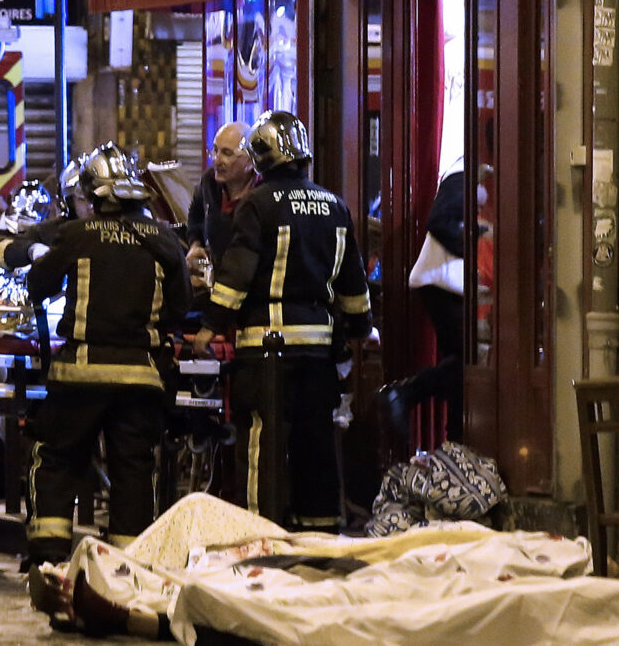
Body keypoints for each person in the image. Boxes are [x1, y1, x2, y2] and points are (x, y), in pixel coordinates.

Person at [193, 111, 372, 532]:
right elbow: (353, 285)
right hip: (319, 352)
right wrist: (360, 329)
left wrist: (209, 326)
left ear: (259, 158)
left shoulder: (257, 205)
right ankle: (320, 532)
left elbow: (236, 276)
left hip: (267, 350)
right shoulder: (335, 206)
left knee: (263, 441)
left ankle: (261, 531)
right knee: (316, 441)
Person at [24, 142, 190, 569]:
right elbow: (180, 308)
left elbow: (38, 285)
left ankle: (49, 556)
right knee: (133, 468)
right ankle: (127, 563)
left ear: (93, 193)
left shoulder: (77, 234)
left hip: (80, 375)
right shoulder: (164, 239)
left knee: (58, 459)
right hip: (140, 379)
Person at [380, 168, 481, 448]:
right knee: (469, 359)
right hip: (443, 285)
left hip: (446, 286)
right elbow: (438, 222)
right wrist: (476, 241)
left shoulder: (468, 176)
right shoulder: (463, 174)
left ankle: (455, 438)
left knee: (461, 363)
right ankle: (407, 394)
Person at [185, 121, 255, 283]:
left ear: (250, 161)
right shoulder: (209, 180)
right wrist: (195, 244)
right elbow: (195, 216)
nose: (217, 160)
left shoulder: (264, 192)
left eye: (227, 153)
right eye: (215, 150)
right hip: (217, 281)